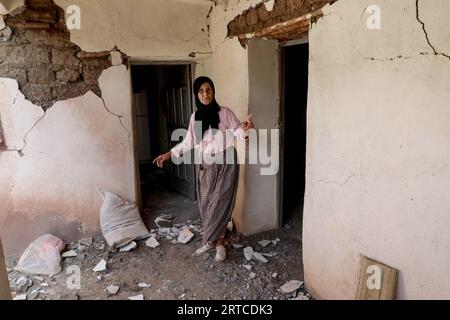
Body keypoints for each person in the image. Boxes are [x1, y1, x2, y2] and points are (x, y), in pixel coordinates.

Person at [153, 76, 254, 262]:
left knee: (220, 202)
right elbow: (189, 142)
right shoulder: (195, 117)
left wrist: (246, 130)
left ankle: (219, 243)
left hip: (226, 162)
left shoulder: (224, 113)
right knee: (207, 204)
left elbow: (238, 131)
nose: (205, 94)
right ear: (196, 94)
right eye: (201, 91)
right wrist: (168, 155)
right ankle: (211, 240)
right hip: (206, 164)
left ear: (213, 92)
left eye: (208, 90)